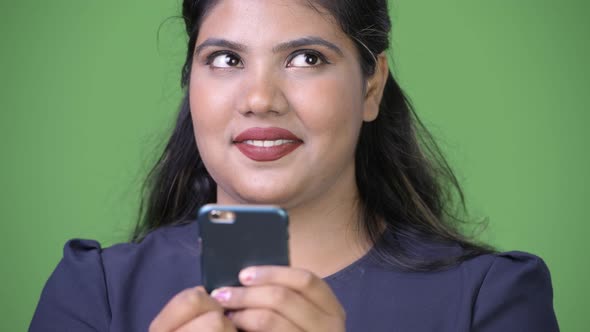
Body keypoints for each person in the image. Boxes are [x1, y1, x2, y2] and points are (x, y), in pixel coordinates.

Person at [30, 0, 559, 331]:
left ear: (371, 85)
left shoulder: (489, 300)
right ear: (189, 80)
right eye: (225, 59)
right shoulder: (92, 292)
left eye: (306, 58)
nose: (260, 98)